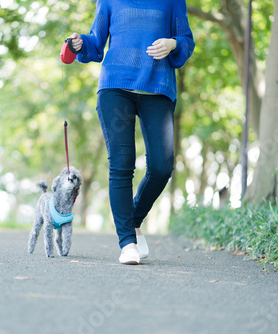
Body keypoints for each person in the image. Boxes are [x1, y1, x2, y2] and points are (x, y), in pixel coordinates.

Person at [69, 0, 195, 264]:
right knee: (122, 163)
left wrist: (173, 44)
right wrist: (81, 43)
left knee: (162, 167)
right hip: (115, 87)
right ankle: (127, 243)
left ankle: (134, 220)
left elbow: (186, 39)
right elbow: (96, 41)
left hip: (157, 87)